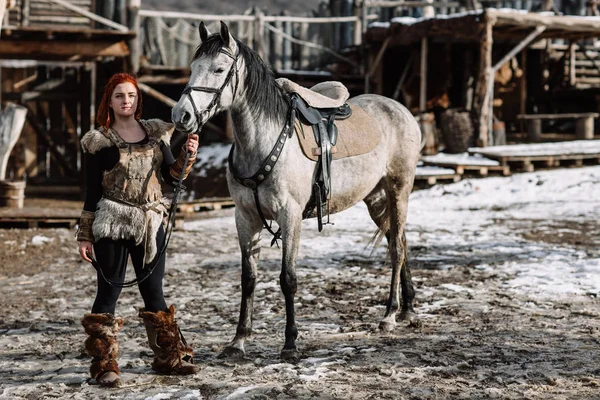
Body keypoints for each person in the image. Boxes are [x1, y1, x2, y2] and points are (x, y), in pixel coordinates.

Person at [76, 73, 199, 387]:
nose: (125, 101)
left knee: (154, 292)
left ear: (137, 99)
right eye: (119, 96)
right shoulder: (98, 141)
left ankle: (169, 358)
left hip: (149, 223)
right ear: (110, 101)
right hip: (112, 223)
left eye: (130, 95)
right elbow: (91, 191)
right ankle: (105, 365)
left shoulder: (156, 133)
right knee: (109, 292)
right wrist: (85, 234)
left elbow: (172, 177)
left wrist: (188, 154)